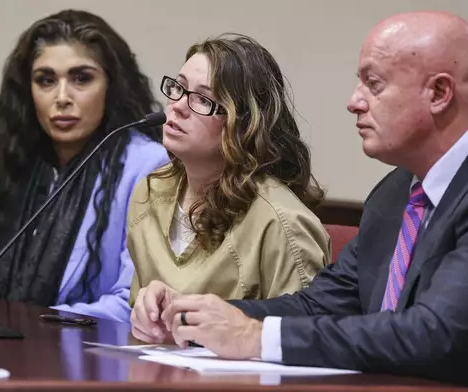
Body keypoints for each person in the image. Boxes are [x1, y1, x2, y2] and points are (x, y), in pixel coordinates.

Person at [130, 12, 468, 392]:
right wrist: (201, 316)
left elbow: (434, 333)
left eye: (373, 83)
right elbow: (319, 305)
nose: (354, 101)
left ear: (439, 93)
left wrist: (254, 338)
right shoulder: (396, 192)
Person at [0, 9, 169, 322]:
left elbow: (134, 303)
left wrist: (33, 323)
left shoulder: (147, 165)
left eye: (81, 79)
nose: (61, 97)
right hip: (3, 347)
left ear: (112, 87)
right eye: (45, 80)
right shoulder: (17, 165)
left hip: (91, 359)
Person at [126, 33, 330, 313]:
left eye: (202, 99)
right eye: (178, 88)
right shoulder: (150, 191)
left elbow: (305, 336)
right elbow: (137, 309)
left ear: (245, 124)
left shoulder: (280, 221)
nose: (178, 106)